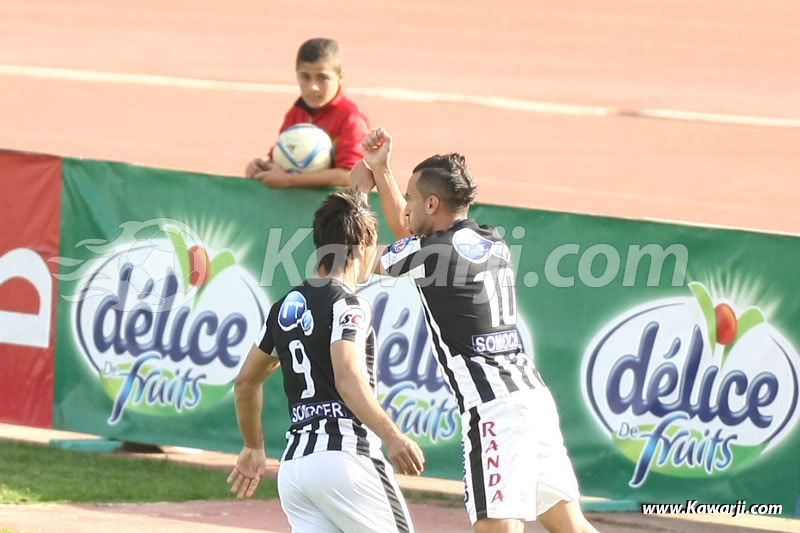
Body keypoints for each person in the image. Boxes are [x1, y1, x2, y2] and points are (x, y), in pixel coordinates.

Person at [351, 129, 598, 533]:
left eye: (412, 199)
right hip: (532, 398)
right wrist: (383, 171)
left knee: (497, 527)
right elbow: (411, 236)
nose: (407, 208)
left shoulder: (431, 252)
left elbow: (358, 261)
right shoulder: (490, 240)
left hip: (494, 408)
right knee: (570, 525)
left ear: (432, 202)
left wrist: (357, 199)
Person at [227, 190, 423, 532]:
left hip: (295, 469)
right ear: (361, 244)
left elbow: (245, 382)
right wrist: (393, 437)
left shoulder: (284, 307)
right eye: (373, 245)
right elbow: (347, 377)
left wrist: (253, 446)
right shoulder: (350, 306)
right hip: (346, 459)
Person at [245, 38, 370, 189]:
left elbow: (351, 176)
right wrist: (262, 167)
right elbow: (282, 157)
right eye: (305, 77)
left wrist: (289, 181)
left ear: (340, 77)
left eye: (322, 78)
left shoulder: (351, 118)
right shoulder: (296, 112)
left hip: (335, 210)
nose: (313, 87)